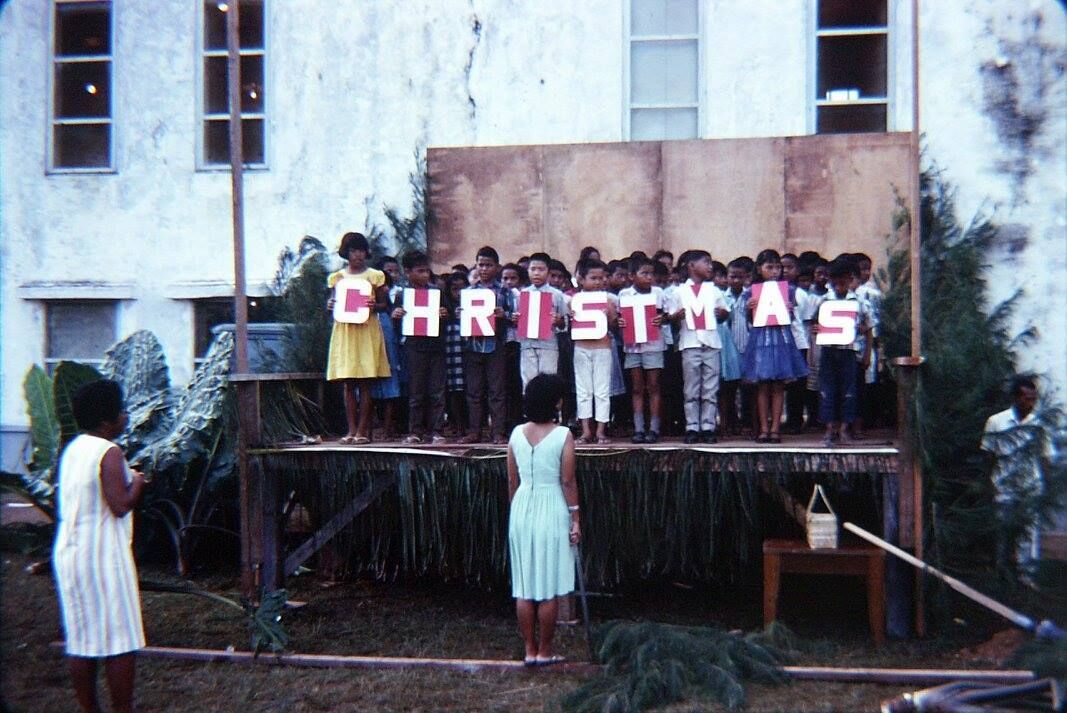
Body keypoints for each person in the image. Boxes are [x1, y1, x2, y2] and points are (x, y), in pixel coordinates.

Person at [53, 380, 146, 713]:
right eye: (122, 410)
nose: (126, 415)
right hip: (102, 555)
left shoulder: (73, 449)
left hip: (71, 552)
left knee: (82, 638)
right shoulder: (110, 452)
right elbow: (120, 505)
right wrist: (137, 482)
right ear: (107, 420)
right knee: (120, 639)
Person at [507, 374, 579, 666]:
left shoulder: (515, 434)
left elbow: (512, 480)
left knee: (524, 585)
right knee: (547, 587)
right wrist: (576, 518)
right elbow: (568, 480)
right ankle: (544, 651)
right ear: (555, 402)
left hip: (522, 505)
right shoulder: (563, 435)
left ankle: (529, 650)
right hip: (552, 505)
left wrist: (517, 512)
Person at [327, 232, 391, 444]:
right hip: (345, 332)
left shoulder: (375, 276)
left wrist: (376, 306)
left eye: (361, 250)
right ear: (346, 252)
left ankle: (363, 431)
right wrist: (330, 305)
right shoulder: (337, 278)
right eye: (354, 250)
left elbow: (385, 305)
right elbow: (334, 303)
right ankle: (350, 430)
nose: (358, 255)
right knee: (348, 383)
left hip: (366, 330)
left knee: (365, 383)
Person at [741, 249, 808, 443]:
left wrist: (789, 309)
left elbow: (794, 317)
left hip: (780, 339)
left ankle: (775, 428)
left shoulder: (789, 290)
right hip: (761, 339)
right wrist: (749, 308)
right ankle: (763, 428)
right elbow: (749, 320)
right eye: (769, 267)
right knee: (762, 384)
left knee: (778, 384)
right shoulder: (751, 291)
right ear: (759, 268)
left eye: (777, 267)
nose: (774, 271)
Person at [982, 375, 1045, 578]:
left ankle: (1026, 574)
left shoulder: (1039, 423)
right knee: (1001, 530)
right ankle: (1000, 571)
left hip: (1030, 485)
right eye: (1027, 399)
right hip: (1003, 485)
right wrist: (988, 484)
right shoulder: (996, 422)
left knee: (1029, 531)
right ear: (1016, 398)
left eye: (1034, 399)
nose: (1031, 404)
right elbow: (988, 454)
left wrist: (1045, 485)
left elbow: (1045, 455)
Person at [669, 250, 729, 444]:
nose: (710, 267)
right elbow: (671, 316)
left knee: (710, 386)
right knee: (691, 387)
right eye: (706, 262)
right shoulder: (678, 292)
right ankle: (692, 426)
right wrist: (675, 316)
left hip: (711, 342)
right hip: (690, 342)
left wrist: (722, 314)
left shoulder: (714, 291)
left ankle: (708, 425)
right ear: (691, 266)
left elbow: (725, 313)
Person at [392, 250, 448, 445]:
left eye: (427, 271)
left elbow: (448, 320)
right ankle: (415, 431)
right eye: (420, 271)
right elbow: (398, 328)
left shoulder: (437, 292)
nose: (425, 275)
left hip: (436, 347)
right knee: (416, 392)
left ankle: (437, 431)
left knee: (437, 391)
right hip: (414, 347)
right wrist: (396, 316)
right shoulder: (402, 295)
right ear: (408, 272)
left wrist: (443, 314)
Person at [460, 246, 514, 444]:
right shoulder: (468, 292)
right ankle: (475, 431)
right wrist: (461, 315)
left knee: (497, 392)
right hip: (473, 345)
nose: (484, 269)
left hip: (496, 345)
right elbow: (464, 318)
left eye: (488, 265)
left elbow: (515, 317)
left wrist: (504, 315)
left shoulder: (505, 292)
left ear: (497, 267)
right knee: (474, 391)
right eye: (480, 265)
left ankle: (498, 432)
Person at [814, 257, 869, 446]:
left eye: (843, 281)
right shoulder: (824, 301)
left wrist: (867, 353)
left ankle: (845, 428)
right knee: (828, 390)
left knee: (849, 391)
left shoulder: (858, 301)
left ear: (850, 278)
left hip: (849, 352)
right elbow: (815, 324)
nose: (839, 286)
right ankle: (830, 429)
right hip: (829, 351)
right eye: (835, 282)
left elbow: (868, 328)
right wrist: (816, 329)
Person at [617, 257, 667, 443]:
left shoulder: (658, 293)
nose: (649, 277)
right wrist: (619, 322)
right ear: (632, 276)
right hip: (632, 346)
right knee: (637, 388)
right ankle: (639, 428)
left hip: (653, 345)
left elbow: (665, 315)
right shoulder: (625, 294)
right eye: (644, 273)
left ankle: (653, 428)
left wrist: (663, 319)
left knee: (653, 386)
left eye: (651, 273)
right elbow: (620, 319)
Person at [572, 258, 618, 444]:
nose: (598, 282)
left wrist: (610, 317)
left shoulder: (609, 300)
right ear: (581, 279)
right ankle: (585, 431)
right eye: (593, 278)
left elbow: (615, 326)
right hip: (581, 347)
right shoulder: (575, 300)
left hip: (602, 348)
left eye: (601, 278)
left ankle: (600, 431)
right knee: (583, 391)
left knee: (602, 390)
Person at [516, 252, 567, 387]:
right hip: (527, 345)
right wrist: (516, 319)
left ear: (548, 272)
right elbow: (518, 321)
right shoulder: (522, 294)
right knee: (528, 383)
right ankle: (530, 408)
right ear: (528, 271)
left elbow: (564, 325)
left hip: (548, 345)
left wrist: (558, 321)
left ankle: (551, 408)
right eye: (533, 269)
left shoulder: (557, 295)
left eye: (541, 269)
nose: (536, 273)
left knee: (549, 384)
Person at [443, 271, 469, 437]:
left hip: (470, 350)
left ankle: (472, 425)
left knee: (472, 389)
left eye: (463, 289)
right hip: (452, 349)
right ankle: (458, 426)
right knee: (454, 389)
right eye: (455, 289)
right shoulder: (446, 309)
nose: (459, 294)